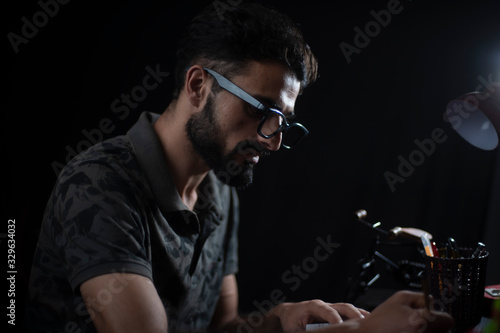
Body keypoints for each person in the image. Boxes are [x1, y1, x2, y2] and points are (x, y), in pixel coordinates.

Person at [26, 2, 454, 333]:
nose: (272, 139)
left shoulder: (219, 189)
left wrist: (280, 320)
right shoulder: (102, 183)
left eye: (284, 122)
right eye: (261, 110)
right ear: (198, 85)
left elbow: (219, 327)